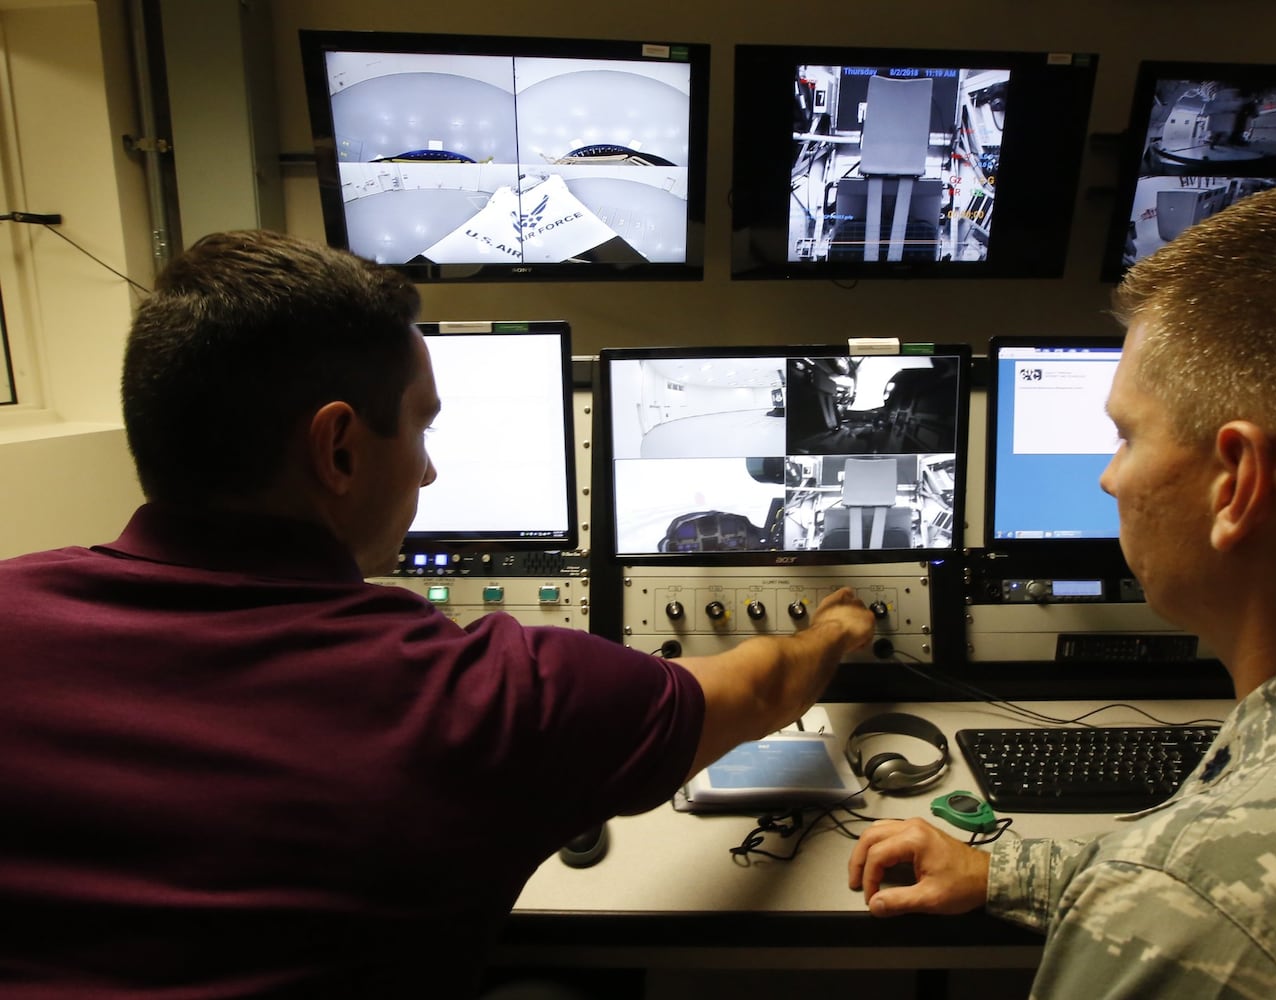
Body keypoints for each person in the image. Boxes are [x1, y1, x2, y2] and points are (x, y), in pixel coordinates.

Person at [0, 230, 876, 997]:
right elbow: (758, 687)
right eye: (421, 429)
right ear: (338, 449)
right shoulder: (489, 697)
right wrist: (836, 629)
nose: (425, 474)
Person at [848, 162, 1276, 996]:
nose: (1108, 479)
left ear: (1235, 483)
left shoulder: (1185, 917)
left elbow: (1205, 893)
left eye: (1126, 435)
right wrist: (1012, 871)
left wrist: (1145, 893)